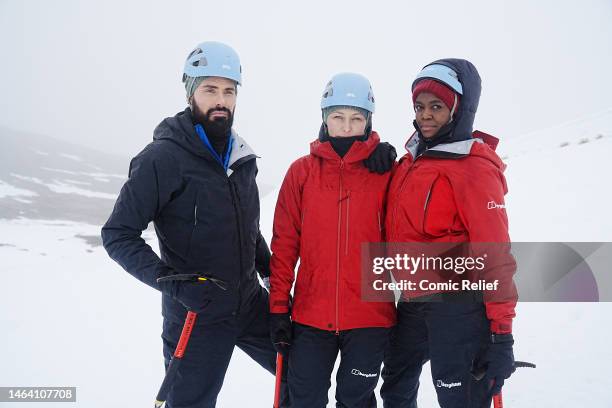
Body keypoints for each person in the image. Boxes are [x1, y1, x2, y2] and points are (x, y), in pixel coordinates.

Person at [101, 41, 286, 408]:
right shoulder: (162, 158)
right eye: (210, 89)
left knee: (301, 376)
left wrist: (271, 275)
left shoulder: (242, 157)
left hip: (250, 304)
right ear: (191, 93)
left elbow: (246, 228)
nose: (221, 99)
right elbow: (117, 235)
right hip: (195, 313)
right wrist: (173, 283)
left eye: (229, 91)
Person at [380, 59, 517, 408]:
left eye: (437, 107)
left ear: (460, 109)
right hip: (412, 303)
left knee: (457, 397)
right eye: (420, 106)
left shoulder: (474, 168)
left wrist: (502, 334)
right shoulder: (410, 161)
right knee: (395, 388)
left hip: (457, 308)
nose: (425, 115)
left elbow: (496, 255)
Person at [269, 72, 397, 408]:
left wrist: (401, 155)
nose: (345, 127)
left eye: (356, 119)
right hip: (311, 316)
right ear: (324, 119)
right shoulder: (302, 172)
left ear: (368, 122)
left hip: (370, 317)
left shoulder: (385, 171)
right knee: (303, 400)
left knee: (355, 401)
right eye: (337, 117)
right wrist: (279, 308)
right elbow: (284, 245)